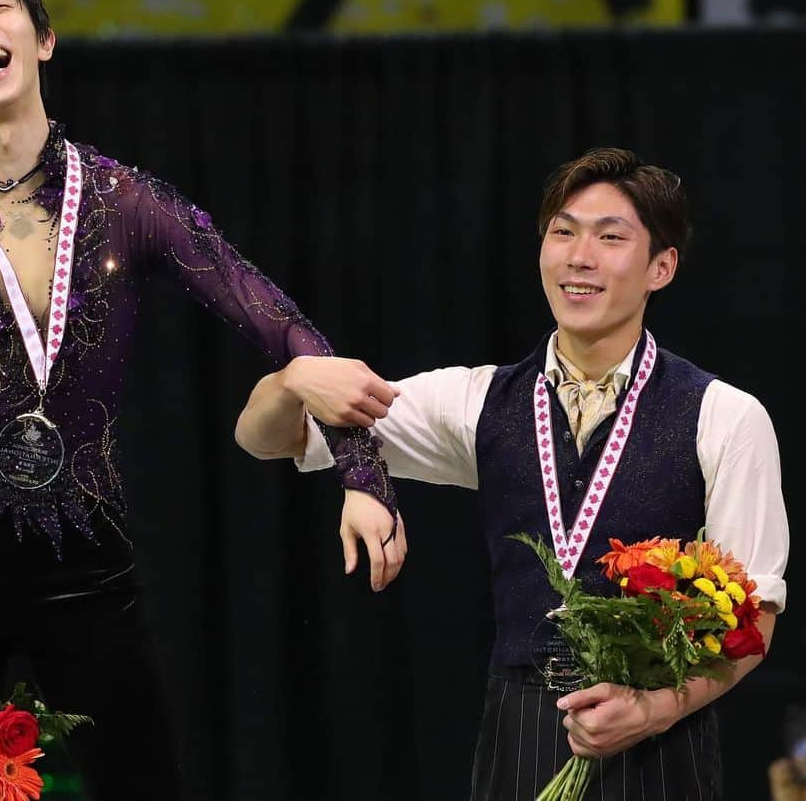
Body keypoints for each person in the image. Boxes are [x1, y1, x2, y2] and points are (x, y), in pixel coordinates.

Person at [0, 0, 403, 799]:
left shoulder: (127, 202)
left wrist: (363, 474)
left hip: (86, 567)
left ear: (43, 38)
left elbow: (278, 324)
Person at [235, 148, 790, 799]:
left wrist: (654, 709)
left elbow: (753, 623)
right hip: (519, 734)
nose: (578, 257)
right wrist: (291, 379)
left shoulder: (724, 416)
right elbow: (266, 441)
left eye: (610, 237)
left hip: (664, 745)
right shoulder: (476, 400)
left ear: (660, 266)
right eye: (563, 231)